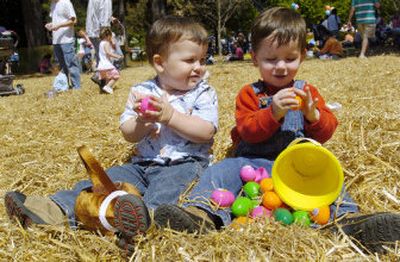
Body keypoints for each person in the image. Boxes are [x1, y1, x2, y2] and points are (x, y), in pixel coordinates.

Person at [153, 7, 400, 255]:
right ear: (255, 58)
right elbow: (247, 132)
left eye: (290, 58)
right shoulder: (250, 94)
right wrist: (272, 114)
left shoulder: (307, 92)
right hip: (252, 165)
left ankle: (349, 222)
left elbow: (325, 133)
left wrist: (313, 116)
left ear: (303, 55)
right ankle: (201, 214)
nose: (281, 67)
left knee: (334, 186)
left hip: (298, 171)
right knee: (220, 171)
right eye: (271, 60)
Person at [5, 15, 217, 256]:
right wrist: (143, 123)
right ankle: (53, 208)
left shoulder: (203, 92)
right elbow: (128, 134)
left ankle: (142, 225)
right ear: (160, 63)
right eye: (190, 60)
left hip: (184, 163)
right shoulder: (143, 91)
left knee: (167, 190)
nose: (199, 67)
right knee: (105, 182)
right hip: (140, 164)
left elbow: (206, 131)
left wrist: (170, 117)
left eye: (202, 59)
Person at [45, 0, 81, 89]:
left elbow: (74, 21)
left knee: (71, 64)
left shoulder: (66, 2)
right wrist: (51, 24)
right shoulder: (53, 4)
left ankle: (77, 87)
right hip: (56, 40)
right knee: (62, 66)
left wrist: (59, 26)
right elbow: (57, 20)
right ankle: (65, 86)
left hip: (67, 40)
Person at [85, 0, 114, 86]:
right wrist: (105, 33)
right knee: (107, 57)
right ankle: (102, 80)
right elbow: (104, 15)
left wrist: (111, 18)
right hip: (101, 31)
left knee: (100, 57)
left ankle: (102, 83)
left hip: (92, 30)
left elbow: (93, 14)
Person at [96, 27, 123, 94]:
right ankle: (108, 87)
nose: (111, 38)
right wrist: (118, 56)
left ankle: (105, 89)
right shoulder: (106, 43)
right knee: (116, 75)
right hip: (106, 65)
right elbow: (108, 53)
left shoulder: (101, 43)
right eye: (111, 36)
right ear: (108, 36)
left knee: (107, 78)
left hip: (101, 65)